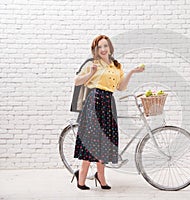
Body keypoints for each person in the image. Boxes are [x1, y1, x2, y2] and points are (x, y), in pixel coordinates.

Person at [71, 35, 144, 190]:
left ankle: (101, 177)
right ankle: (81, 177)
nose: (103, 49)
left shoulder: (116, 66)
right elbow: (77, 81)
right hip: (94, 101)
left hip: (108, 103)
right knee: (91, 140)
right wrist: (91, 73)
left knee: (104, 141)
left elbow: (121, 87)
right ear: (96, 50)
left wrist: (130, 72)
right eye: (99, 47)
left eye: (105, 46)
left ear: (110, 47)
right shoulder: (93, 63)